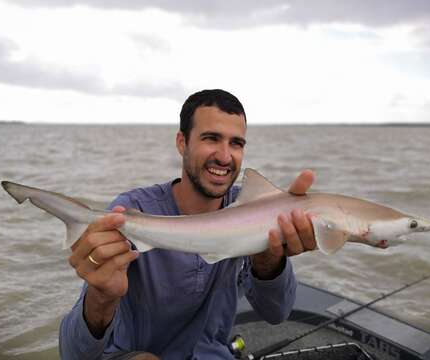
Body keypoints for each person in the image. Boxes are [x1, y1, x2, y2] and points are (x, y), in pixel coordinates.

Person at [59, 89, 316, 360]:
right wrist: (101, 297)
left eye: (236, 143)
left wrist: (269, 262)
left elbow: (277, 314)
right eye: (211, 138)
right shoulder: (133, 212)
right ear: (182, 142)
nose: (225, 156)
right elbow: (74, 355)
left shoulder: (251, 211)